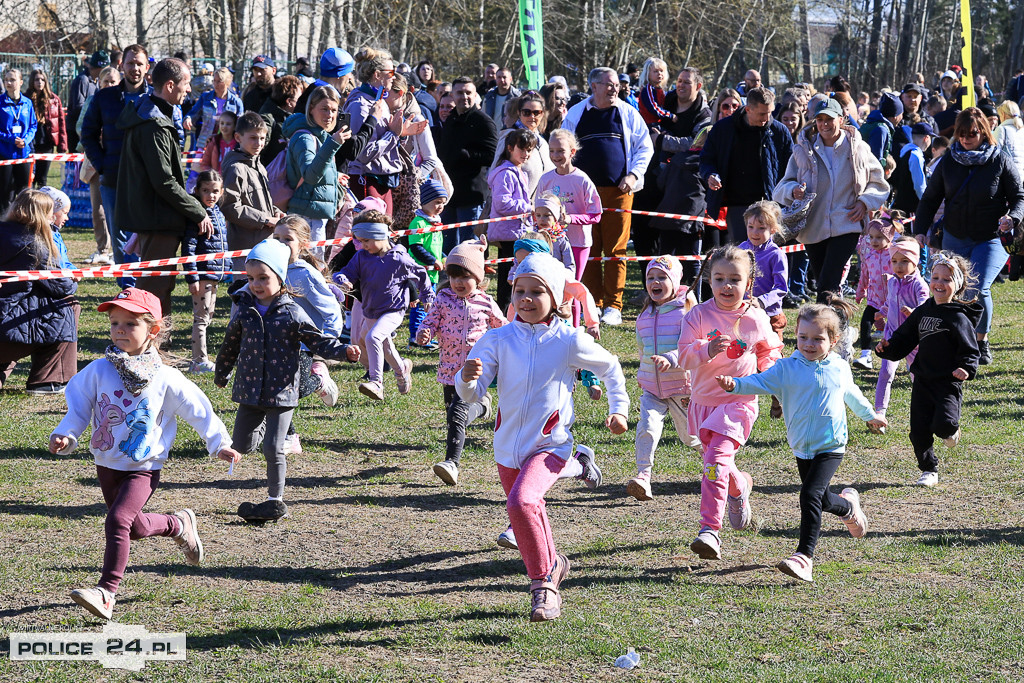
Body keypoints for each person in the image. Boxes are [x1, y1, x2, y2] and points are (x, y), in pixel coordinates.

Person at [49, 287, 241, 621]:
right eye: (114, 323)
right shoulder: (97, 370)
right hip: (106, 462)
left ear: (152, 330)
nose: (119, 329)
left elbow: (199, 410)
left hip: (144, 466)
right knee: (134, 528)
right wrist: (66, 433)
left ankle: (106, 592)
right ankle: (177, 524)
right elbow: (79, 407)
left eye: (130, 323)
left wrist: (218, 442)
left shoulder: (165, 378)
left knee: (118, 520)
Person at [456, 252, 629, 622]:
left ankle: (543, 587)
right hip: (506, 450)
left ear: (556, 299)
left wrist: (619, 409)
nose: (526, 299)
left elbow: (612, 367)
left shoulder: (568, 340)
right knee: (528, 511)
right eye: (520, 290)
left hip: (550, 444)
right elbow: (472, 395)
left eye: (537, 291)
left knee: (521, 504)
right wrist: (467, 378)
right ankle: (554, 564)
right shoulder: (498, 339)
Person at [716, 303, 883, 583]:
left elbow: (852, 394)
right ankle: (848, 508)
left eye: (818, 339)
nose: (809, 344)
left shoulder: (839, 368)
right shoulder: (786, 369)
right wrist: (735, 384)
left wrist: (871, 416)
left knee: (808, 496)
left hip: (831, 445)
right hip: (801, 447)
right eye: (804, 337)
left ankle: (804, 557)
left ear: (833, 340)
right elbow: (759, 381)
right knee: (822, 498)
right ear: (795, 334)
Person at [216, 239, 359, 522]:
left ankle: (275, 499)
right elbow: (230, 344)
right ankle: (265, 428)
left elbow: (318, 341)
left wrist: (344, 351)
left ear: (280, 278)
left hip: (282, 392)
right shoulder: (245, 309)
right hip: (249, 390)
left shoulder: (292, 312)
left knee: (273, 447)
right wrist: (222, 371)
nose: (255, 285)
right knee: (241, 445)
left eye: (263, 278)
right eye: (251, 278)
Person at [677, 246, 783, 560]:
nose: (727, 286)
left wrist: (770, 374)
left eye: (735, 279)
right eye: (720, 278)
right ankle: (740, 489)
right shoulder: (697, 314)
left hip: (739, 403)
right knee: (718, 464)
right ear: (709, 280)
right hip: (703, 403)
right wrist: (706, 350)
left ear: (748, 282)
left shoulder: (754, 317)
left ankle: (709, 530)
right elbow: (683, 356)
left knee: (714, 464)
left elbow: (769, 351)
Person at [913, 108, 1024, 364]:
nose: (965, 139)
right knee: (952, 290)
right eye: (961, 134)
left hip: (991, 236)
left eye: (971, 134)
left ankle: (980, 341)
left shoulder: (999, 160)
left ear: (983, 132)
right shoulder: (949, 161)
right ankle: (956, 338)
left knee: (978, 286)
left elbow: (1019, 196)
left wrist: (1012, 217)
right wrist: (920, 230)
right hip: (955, 234)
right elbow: (930, 199)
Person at [876, 252, 982, 487]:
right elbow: (905, 338)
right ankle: (929, 469)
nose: (939, 284)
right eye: (935, 277)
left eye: (946, 279)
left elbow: (970, 350)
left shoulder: (959, 318)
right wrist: (887, 349)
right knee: (918, 431)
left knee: (943, 425)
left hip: (947, 381)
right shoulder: (923, 311)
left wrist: (966, 367)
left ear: (958, 285)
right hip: (922, 378)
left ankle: (951, 432)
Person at [116, 58, 210, 318]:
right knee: (153, 290)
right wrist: (198, 210)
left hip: (158, 215)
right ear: (170, 85)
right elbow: (164, 181)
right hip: (158, 217)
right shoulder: (154, 124)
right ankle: (147, 350)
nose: (189, 89)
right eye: (186, 83)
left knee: (162, 285)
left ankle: (157, 348)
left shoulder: (152, 114)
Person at [561, 66, 654, 326]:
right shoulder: (576, 114)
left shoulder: (627, 113)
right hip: (583, 194)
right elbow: (564, 147)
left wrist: (633, 175)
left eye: (616, 85)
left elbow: (644, 147)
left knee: (616, 250)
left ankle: (614, 305)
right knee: (588, 248)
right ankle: (593, 302)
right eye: (609, 84)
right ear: (594, 86)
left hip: (619, 192)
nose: (615, 89)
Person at [773, 98, 889, 303]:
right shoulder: (802, 149)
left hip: (847, 223)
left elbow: (879, 182)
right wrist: (793, 191)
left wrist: (864, 202)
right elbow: (781, 187)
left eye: (830, 119)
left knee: (827, 283)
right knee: (825, 283)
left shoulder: (858, 148)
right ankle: (839, 324)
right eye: (820, 119)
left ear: (842, 119)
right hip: (813, 226)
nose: (824, 124)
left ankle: (822, 327)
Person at [416, 239, 506, 485]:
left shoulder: (486, 303)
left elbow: (504, 330)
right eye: (453, 276)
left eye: (464, 277)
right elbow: (430, 321)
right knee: (453, 416)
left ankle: (451, 464)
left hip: (476, 370)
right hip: (448, 370)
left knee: (457, 414)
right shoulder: (443, 298)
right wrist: (424, 333)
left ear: (477, 278)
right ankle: (483, 407)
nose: (457, 282)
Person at [332, 214, 434, 401]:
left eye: (367, 241)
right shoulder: (361, 256)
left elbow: (421, 274)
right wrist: (342, 278)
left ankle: (376, 382)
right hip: (370, 310)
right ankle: (402, 369)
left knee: (373, 337)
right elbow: (347, 272)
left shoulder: (399, 258)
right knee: (385, 346)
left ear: (380, 236)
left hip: (393, 310)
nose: (363, 246)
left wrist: (427, 296)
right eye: (360, 241)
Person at [628, 256, 699, 502]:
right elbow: (642, 349)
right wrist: (642, 372)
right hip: (652, 389)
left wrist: (672, 358)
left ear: (675, 280)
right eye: (650, 277)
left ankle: (718, 463)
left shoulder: (687, 310)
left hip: (681, 387)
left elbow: (693, 347)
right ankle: (643, 477)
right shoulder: (644, 315)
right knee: (646, 428)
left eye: (661, 277)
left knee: (691, 437)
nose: (655, 282)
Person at [273, 215, 346, 453]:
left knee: (297, 389)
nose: (281, 243)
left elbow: (331, 309)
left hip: (304, 343)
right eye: (276, 238)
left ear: (303, 243)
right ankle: (290, 437)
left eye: (288, 239)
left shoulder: (304, 273)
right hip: (276, 341)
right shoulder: (271, 266)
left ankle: (319, 381)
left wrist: (325, 343)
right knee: (276, 389)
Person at [83, 44, 152, 287]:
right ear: (122, 65)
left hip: (147, 180)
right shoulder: (104, 97)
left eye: (139, 64)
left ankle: (145, 286)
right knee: (119, 235)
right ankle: (128, 288)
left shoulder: (154, 98)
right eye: (130, 63)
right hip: (113, 178)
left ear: (147, 67)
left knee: (145, 233)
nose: (134, 68)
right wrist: (102, 164)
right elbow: (87, 133)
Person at [0, 189, 79, 394]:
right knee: (69, 304)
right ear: (43, 214)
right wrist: (73, 278)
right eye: (51, 212)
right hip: (5, 328)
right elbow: (62, 286)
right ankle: (49, 379)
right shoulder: (36, 245)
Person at [700, 86, 793, 245]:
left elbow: (791, 167)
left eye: (770, 113)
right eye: (762, 113)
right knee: (742, 254)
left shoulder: (779, 132)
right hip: (737, 204)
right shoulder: (723, 129)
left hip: (770, 203)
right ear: (748, 109)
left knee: (768, 253)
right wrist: (711, 174)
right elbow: (706, 159)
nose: (766, 118)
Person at [345, 48, 426, 212]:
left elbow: (385, 141)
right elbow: (362, 154)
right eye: (391, 72)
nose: (394, 77)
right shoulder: (360, 105)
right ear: (377, 75)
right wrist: (393, 134)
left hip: (382, 178)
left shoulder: (379, 101)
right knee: (369, 233)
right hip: (366, 178)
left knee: (384, 234)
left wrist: (401, 133)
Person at [285, 85, 352, 259]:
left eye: (333, 110)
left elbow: (317, 169)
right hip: (305, 216)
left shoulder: (322, 136)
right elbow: (310, 175)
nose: (329, 115)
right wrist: (333, 144)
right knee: (310, 264)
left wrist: (334, 176)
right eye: (324, 109)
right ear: (311, 109)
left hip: (315, 213)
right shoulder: (305, 138)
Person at [536, 128, 602, 292]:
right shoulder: (546, 179)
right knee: (551, 285)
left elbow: (596, 214)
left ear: (572, 152)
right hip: (550, 242)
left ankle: (573, 318)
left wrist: (571, 219)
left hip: (578, 242)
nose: (555, 155)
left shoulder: (582, 180)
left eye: (560, 151)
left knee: (571, 286)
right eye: (552, 151)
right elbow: (537, 211)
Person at [739, 200, 788, 418]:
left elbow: (781, 288)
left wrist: (761, 301)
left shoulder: (776, 254)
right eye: (751, 227)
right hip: (745, 315)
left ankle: (779, 397)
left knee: (771, 361)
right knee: (744, 358)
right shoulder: (740, 250)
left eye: (761, 228)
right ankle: (742, 399)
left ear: (773, 229)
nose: (755, 232)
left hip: (769, 316)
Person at [437, 76, 498, 252]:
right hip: (449, 194)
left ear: (475, 95)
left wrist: (467, 155)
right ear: (453, 95)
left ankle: (471, 277)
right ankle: (449, 279)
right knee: (448, 245)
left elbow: (492, 156)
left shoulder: (483, 122)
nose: (464, 96)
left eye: (468, 92)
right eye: (460, 93)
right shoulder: (451, 119)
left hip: (471, 196)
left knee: (469, 246)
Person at [221, 111, 284, 274]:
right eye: (253, 138)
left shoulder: (259, 166)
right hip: (244, 246)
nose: (258, 143)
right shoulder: (235, 168)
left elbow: (261, 201)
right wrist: (265, 219)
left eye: (262, 138)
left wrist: (275, 213)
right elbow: (230, 207)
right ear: (238, 138)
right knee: (244, 294)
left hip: (264, 242)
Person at [873, 237, 928, 417]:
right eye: (895, 261)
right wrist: (881, 312)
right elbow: (890, 302)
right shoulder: (892, 282)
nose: (899, 266)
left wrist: (914, 312)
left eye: (905, 261)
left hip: (913, 339)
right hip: (892, 336)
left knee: (917, 376)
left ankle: (924, 408)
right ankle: (879, 412)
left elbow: (925, 306)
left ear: (915, 261)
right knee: (885, 373)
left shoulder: (919, 284)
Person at [182, 170, 228, 373]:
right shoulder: (198, 216)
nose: (211, 195)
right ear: (198, 191)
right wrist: (192, 277)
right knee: (200, 319)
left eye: (215, 191)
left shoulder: (218, 212)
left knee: (208, 317)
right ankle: (199, 360)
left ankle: (199, 358)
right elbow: (189, 248)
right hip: (202, 276)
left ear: (221, 192)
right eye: (206, 190)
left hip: (214, 275)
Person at [486, 128, 537, 310]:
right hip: (508, 233)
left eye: (529, 150)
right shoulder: (505, 173)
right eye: (522, 149)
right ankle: (504, 309)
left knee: (513, 275)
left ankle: (510, 309)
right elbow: (502, 204)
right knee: (508, 277)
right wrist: (528, 208)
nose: (526, 154)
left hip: (516, 231)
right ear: (510, 148)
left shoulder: (519, 171)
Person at [853, 214, 900, 369]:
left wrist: (892, 278)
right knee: (865, 323)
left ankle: (900, 355)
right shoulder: (869, 256)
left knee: (895, 330)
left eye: (879, 237)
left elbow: (905, 274)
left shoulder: (895, 255)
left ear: (890, 237)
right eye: (871, 237)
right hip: (874, 300)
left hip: (893, 301)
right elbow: (864, 276)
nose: (874, 241)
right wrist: (860, 292)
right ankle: (866, 355)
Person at [406, 179, 447, 346]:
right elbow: (416, 247)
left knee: (430, 304)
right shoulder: (418, 222)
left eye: (443, 203)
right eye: (437, 202)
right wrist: (433, 260)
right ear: (424, 202)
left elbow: (435, 247)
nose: (440, 206)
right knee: (420, 305)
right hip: (420, 272)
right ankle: (416, 336)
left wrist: (443, 257)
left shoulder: (435, 222)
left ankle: (425, 334)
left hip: (433, 272)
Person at [490, 92, 554, 198]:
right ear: (519, 113)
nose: (532, 116)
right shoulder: (509, 137)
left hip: (539, 209)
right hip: (512, 208)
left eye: (536, 112)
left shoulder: (543, 143)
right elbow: (495, 173)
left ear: (542, 114)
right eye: (527, 112)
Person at [0, 68, 38, 211]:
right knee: (5, 194)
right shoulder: (0, 103)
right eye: (6, 80)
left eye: (12, 79)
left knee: (26, 193)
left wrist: (26, 140)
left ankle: (25, 225)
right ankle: (4, 225)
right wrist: (11, 139)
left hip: (23, 154)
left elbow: (33, 125)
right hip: (5, 154)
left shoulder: (27, 103)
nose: (8, 83)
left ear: (21, 82)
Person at [184, 67, 244, 153]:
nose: (215, 84)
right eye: (214, 81)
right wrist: (188, 118)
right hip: (205, 142)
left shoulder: (236, 102)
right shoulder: (205, 97)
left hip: (228, 144)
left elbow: (240, 126)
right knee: (199, 165)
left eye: (219, 81)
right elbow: (193, 112)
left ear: (227, 82)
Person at [25, 69, 67, 187]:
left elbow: (61, 124)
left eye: (42, 79)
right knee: (30, 178)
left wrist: (62, 146)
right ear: (32, 81)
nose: (39, 82)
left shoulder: (54, 99)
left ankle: (42, 205)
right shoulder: (25, 99)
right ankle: (31, 204)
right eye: (37, 79)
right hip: (30, 143)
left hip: (47, 142)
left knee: (42, 179)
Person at [66, 50, 108, 152]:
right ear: (98, 68)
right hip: (76, 130)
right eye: (104, 69)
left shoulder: (97, 81)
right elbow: (78, 106)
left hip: (90, 127)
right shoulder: (83, 80)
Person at [258, 75, 304, 166]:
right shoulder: (267, 120)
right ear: (289, 102)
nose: (301, 102)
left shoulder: (290, 118)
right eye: (299, 99)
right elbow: (258, 152)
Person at [890, 122, 933, 214]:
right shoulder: (916, 156)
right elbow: (919, 186)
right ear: (926, 138)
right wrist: (927, 205)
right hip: (912, 208)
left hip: (901, 204)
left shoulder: (905, 151)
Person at [860, 92, 904, 164]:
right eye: (901, 113)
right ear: (895, 117)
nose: (902, 118)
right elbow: (875, 161)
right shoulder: (881, 130)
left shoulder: (874, 123)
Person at [994, 101, 1024, 177]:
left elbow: (995, 154)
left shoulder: (1002, 129)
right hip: (1021, 174)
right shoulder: (1022, 130)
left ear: (1003, 114)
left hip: (1007, 175)